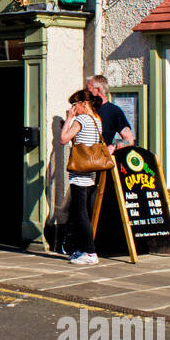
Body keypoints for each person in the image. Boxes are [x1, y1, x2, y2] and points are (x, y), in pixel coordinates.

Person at [59, 89, 104, 266]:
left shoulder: (81, 119)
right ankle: (81, 249)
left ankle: (90, 252)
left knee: (80, 214)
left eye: (74, 105)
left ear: (84, 104)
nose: (73, 108)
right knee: (82, 212)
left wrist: (69, 119)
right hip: (91, 171)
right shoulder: (97, 120)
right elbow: (80, 142)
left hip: (79, 174)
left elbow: (63, 139)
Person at [87, 74, 135, 154]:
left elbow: (129, 140)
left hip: (102, 160)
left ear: (97, 90)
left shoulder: (114, 111)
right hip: (83, 160)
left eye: (88, 89)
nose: (85, 92)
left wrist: (114, 146)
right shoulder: (87, 109)